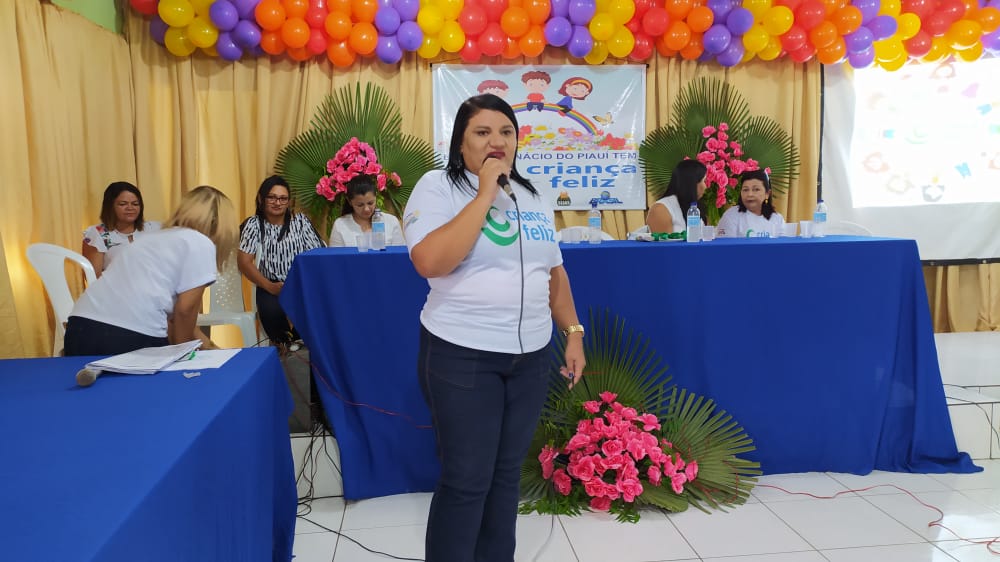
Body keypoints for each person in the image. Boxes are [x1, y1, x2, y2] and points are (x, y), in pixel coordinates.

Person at [402, 93, 587, 562]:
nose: (497, 142)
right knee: (467, 478)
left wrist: (573, 333)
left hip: (528, 360)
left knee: (506, 476)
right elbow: (429, 261)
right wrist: (485, 193)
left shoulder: (532, 194)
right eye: (482, 133)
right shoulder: (438, 187)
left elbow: (554, 273)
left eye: (506, 132)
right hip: (462, 354)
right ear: (461, 144)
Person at [64, 185, 237, 356]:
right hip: (129, 334)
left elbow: (174, 316)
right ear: (220, 223)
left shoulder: (151, 238)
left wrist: (211, 348)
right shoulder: (200, 243)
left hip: (80, 325)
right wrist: (184, 353)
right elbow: (185, 311)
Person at [237, 175, 325, 350]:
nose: (277, 202)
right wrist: (269, 286)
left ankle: (300, 350)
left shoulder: (301, 222)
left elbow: (316, 255)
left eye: (283, 198)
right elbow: (244, 262)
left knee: (315, 313)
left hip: (301, 284)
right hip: (270, 285)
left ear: (289, 202)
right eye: (272, 197)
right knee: (272, 313)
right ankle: (284, 349)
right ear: (261, 199)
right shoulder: (254, 224)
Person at [82, 181, 161, 276]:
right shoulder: (98, 233)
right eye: (123, 204)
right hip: (115, 288)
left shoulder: (153, 228)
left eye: (135, 204)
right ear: (110, 206)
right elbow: (94, 277)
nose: (130, 208)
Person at [328, 176, 405, 247]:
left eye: (370, 203)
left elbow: (400, 255)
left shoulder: (391, 221)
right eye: (360, 205)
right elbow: (336, 259)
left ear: (376, 197)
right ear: (350, 202)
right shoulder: (340, 225)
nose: (366, 209)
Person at [717, 169, 786, 237]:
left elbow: (783, 247)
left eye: (756, 189)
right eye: (745, 190)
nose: (750, 194)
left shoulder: (777, 219)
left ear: (767, 194)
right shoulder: (731, 216)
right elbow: (725, 247)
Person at [646, 159, 708, 234]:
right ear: (692, 182)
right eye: (704, 181)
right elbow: (663, 244)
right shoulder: (661, 209)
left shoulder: (693, 207)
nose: (705, 187)